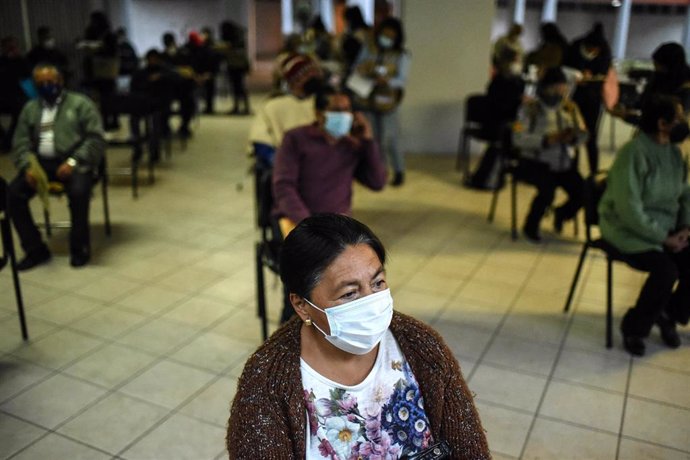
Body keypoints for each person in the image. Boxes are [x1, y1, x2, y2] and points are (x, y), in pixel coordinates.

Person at [227, 213, 491, 459]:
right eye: (349, 294)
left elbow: (470, 449)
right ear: (302, 305)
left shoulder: (420, 345)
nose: (371, 302)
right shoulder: (267, 382)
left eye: (377, 283)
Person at [598, 95, 690, 356]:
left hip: (663, 228)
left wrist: (686, 227)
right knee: (666, 271)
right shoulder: (633, 153)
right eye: (679, 119)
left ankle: (669, 314)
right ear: (662, 123)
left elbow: (684, 193)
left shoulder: (674, 152)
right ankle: (634, 329)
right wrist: (664, 238)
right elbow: (629, 209)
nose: (684, 123)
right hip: (626, 229)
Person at [8, 64, 104, 269]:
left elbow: (95, 139)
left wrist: (73, 161)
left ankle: (79, 248)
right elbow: (20, 142)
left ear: (60, 81)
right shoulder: (31, 108)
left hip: (74, 161)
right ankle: (35, 250)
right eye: (40, 83)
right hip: (40, 162)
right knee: (13, 195)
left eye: (50, 82)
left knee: (79, 192)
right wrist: (27, 167)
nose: (46, 86)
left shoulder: (80, 104)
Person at [513, 67, 587, 242]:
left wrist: (573, 138)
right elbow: (517, 138)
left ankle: (562, 213)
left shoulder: (570, 108)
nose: (560, 92)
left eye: (562, 88)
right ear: (545, 87)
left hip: (562, 162)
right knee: (548, 190)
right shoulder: (528, 108)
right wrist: (547, 140)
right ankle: (531, 225)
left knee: (584, 191)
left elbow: (582, 133)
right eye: (556, 87)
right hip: (534, 161)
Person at [352, 17, 411, 186]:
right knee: (374, 139)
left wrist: (387, 81)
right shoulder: (369, 49)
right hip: (366, 99)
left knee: (391, 138)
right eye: (384, 35)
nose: (386, 39)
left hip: (388, 101)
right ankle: (380, 171)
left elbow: (402, 80)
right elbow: (356, 67)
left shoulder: (402, 55)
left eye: (391, 36)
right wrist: (365, 70)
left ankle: (399, 170)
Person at [249, 53, 323, 167]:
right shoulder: (273, 106)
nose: (313, 78)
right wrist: (283, 164)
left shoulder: (327, 103)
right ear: (295, 80)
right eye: (307, 74)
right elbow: (260, 141)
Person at [467, 46, 526, 190]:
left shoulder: (515, 81)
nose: (518, 64)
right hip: (498, 125)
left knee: (525, 131)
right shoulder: (500, 82)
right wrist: (519, 101)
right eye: (516, 61)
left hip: (509, 123)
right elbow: (501, 107)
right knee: (519, 134)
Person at [563, 23, 612, 174]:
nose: (593, 52)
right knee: (573, 134)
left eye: (596, 51)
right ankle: (573, 170)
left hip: (592, 98)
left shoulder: (605, 52)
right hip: (574, 97)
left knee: (591, 136)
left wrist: (592, 78)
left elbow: (604, 73)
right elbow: (564, 68)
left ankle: (593, 172)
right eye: (591, 49)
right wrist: (577, 75)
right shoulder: (574, 47)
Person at [0, 36, 30, 152]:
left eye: (13, 47)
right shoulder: (1, 62)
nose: (11, 50)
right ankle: (2, 136)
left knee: (19, 113)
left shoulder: (22, 62)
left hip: (17, 98)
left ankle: (7, 142)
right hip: (2, 98)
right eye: (8, 47)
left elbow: (28, 81)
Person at [219, 21, 250, 115]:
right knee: (239, 87)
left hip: (235, 65)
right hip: (237, 65)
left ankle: (241, 108)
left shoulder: (234, 39)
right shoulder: (238, 36)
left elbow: (230, 49)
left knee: (238, 87)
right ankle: (242, 107)